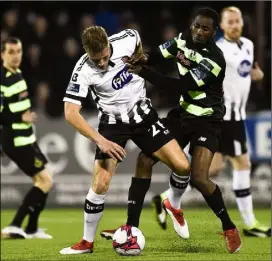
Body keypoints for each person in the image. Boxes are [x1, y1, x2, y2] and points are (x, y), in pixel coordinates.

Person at [100, 8, 242, 253]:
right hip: (182, 114)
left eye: (205, 28)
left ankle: (229, 227)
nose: (198, 31)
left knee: (199, 177)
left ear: (214, 32)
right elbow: (158, 55)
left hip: (207, 119)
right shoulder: (183, 38)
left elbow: (181, 86)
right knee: (144, 159)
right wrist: (141, 59)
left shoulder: (215, 60)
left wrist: (143, 72)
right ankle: (130, 228)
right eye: (196, 26)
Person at [59, 25, 191, 255]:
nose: (100, 63)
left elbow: (138, 43)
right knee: (101, 182)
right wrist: (100, 140)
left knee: (183, 167)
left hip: (144, 117)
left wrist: (140, 61)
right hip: (112, 125)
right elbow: (70, 112)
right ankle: (86, 242)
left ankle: (173, 203)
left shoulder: (128, 39)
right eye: (95, 59)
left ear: (109, 46)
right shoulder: (82, 69)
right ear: (86, 52)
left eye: (103, 57)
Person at [208, 6, 270, 238]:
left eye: (237, 21)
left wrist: (258, 76)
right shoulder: (218, 50)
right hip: (226, 118)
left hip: (237, 117)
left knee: (211, 170)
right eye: (230, 22)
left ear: (242, 23)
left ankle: (169, 198)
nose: (234, 25)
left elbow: (245, 74)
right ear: (222, 26)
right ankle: (250, 223)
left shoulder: (248, 45)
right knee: (242, 164)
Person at [1, 37, 53, 239]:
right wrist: (20, 117)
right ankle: (15, 225)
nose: (16, 56)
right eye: (11, 52)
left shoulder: (18, 74)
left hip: (26, 137)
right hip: (15, 139)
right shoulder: (3, 79)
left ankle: (31, 228)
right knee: (45, 181)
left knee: (42, 181)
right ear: (2, 54)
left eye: (19, 51)